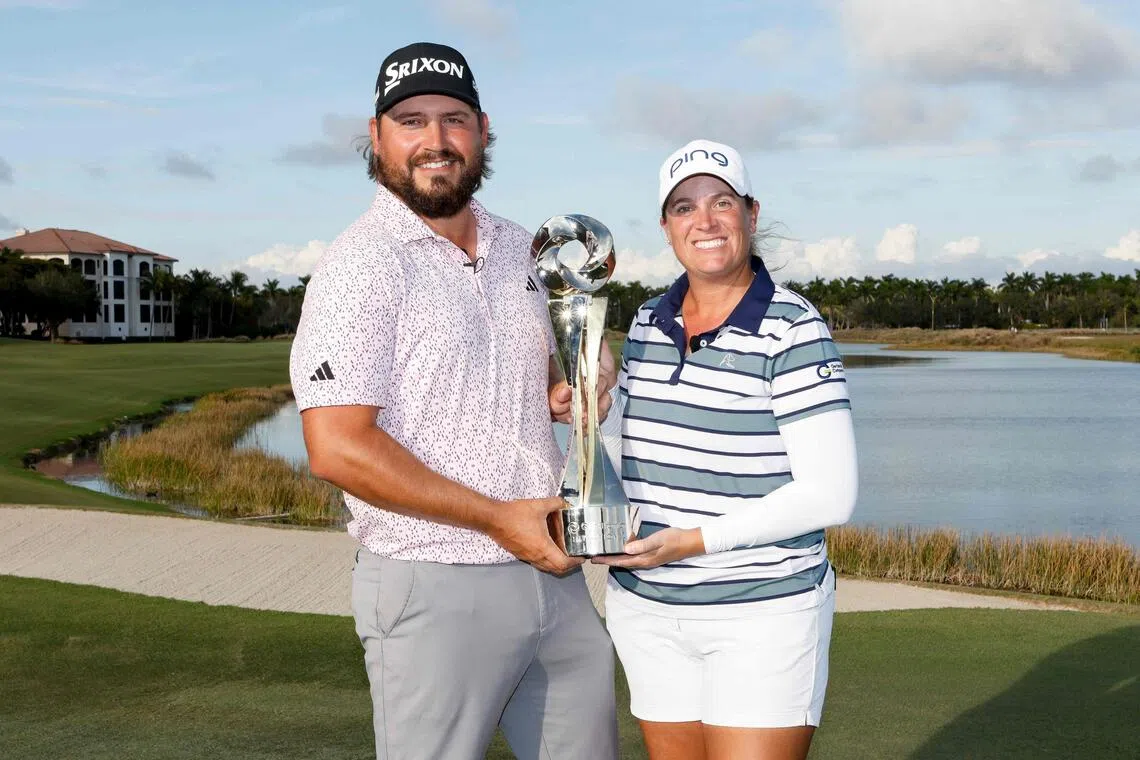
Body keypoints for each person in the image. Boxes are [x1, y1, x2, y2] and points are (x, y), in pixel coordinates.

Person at [289, 42, 618, 760]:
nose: (434, 140)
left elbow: (522, 384)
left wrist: (576, 383)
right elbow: (337, 446)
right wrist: (496, 520)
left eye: (453, 118)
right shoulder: (360, 265)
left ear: (483, 130)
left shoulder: (521, 250)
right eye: (410, 120)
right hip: (434, 584)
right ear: (376, 137)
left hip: (555, 579)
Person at [594, 139, 858, 760]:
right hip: (648, 608)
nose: (704, 221)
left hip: (761, 612)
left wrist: (694, 541)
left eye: (721, 202)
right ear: (666, 227)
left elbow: (831, 492)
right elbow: (624, 450)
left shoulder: (793, 328)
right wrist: (592, 405)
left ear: (751, 213)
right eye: (684, 207)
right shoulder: (645, 321)